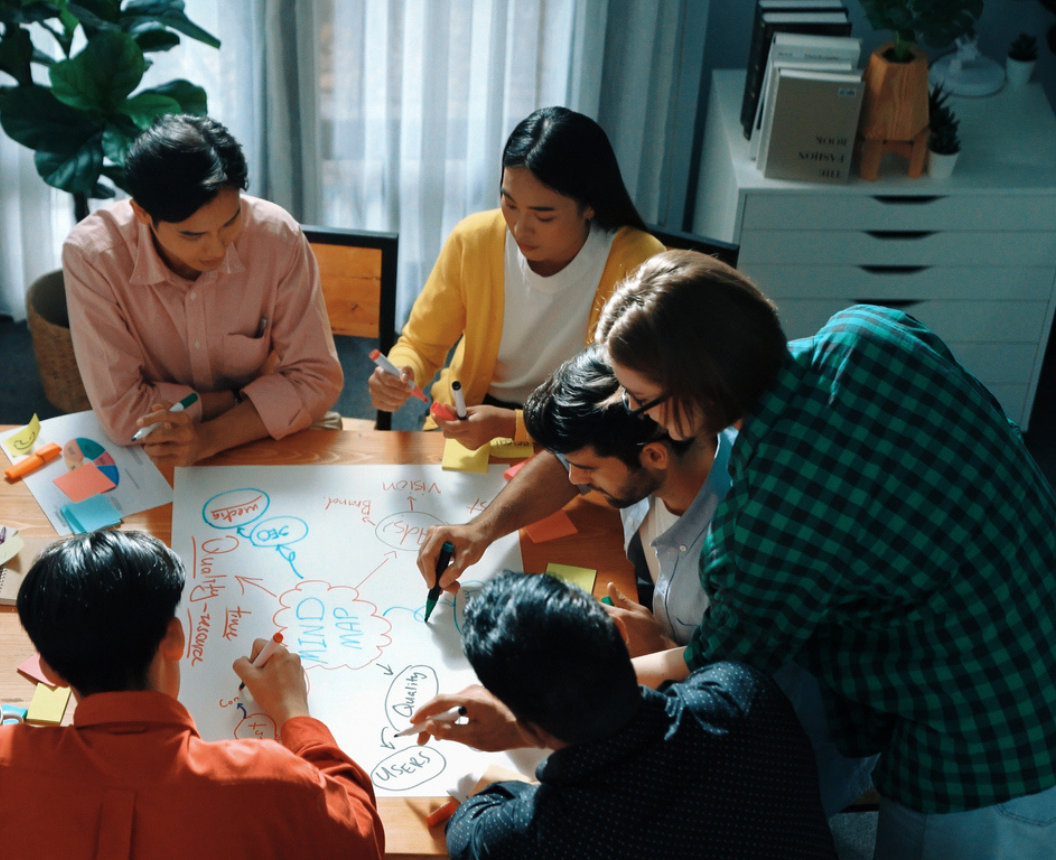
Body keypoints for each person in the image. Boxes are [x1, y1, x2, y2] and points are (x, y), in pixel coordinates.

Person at [595, 250, 1056, 859]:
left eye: (638, 398)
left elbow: (725, 661)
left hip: (985, 737)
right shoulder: (866, 331)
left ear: (697, 389)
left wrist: (601, 680)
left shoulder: (772, 514)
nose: (631, 414)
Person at [415, 345, 874, 814]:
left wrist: (534, 711)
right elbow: (563, 461)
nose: (574, 479)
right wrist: (481, 530)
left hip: (768, 756)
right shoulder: (653, 450)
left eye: (588, 469)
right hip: (687, 666)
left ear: (654, 455)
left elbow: (733, 685)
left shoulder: (746, 546)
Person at [0, 530, 384, 860]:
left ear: (51, 672)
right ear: (174, 637)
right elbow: (362, 839)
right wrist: (296, 715)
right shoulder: (271, 779)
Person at [441, 571, 837, 860]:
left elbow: (468, 834)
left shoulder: (548, 830)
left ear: (528, 727)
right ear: (619, 630)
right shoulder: (741, 692)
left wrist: (518, 758)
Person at [369, 106, 664, 449]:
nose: (521, 228)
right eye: (509, 204)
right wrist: (402, 372)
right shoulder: (474, 241)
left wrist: (515, 426)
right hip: (473, 413)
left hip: (581, 432)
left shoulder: (637, 264)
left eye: (544, 215)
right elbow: (420, 344)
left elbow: (630, 400)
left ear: (590, 205)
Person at [63, 114, 343, 465]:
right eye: (191, 235)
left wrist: (209, 438)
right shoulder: (95, 257)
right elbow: (124, 417)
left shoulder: (277, 238)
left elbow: (318, 378)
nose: (217, 249)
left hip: (255, 432)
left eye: (230, 222)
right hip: (169, 444)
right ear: (142, 213)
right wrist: (238, 399)